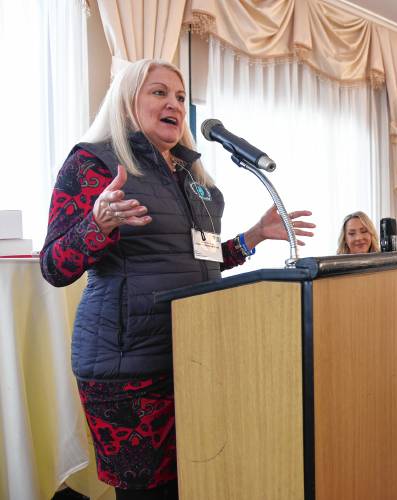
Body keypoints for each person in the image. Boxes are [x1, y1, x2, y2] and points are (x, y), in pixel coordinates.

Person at [40, 59, 315, 500]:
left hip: (192, 358)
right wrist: (98, 224)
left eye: (182, 97)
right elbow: (54, 266)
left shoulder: (192, 178)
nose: (175, 104)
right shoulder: (93, 164)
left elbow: (199, 264)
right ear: (129, 101)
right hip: (126, 369)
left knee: (195, 484)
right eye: (159, 92)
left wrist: (254, 236)